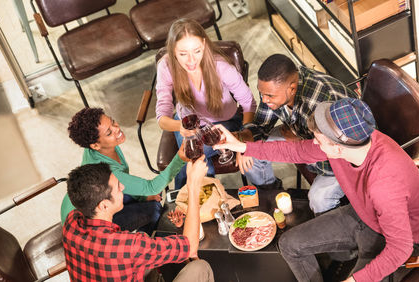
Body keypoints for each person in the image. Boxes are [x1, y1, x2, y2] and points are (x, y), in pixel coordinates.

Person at [214, 98, 419, 281]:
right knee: (288, 244)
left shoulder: (384, 185)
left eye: (319, 140)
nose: (314, 144)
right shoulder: (355, 142)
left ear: (337, 147)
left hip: (404, 240)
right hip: (364, 214)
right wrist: (240, 145)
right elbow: (296, 152)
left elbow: (401, 248)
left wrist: (355, 280)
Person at [236, 53, 359, 213]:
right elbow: (261, 125)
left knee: (318, 199)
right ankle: (274, 195)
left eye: (270, 96)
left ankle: (330, 224)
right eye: (262, 94)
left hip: (340, 157)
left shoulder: (320, 101)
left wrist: (299, 140)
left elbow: (330, 154)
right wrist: (246, 143)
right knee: (252, 156)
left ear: (292, 88)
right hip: (304, 137)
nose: (264, 100)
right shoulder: (274, 89)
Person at [63, 158, 214, 281]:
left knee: (150, 240)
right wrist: (193, 186)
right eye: (118, 187)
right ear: (103, 206)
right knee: (200, 267)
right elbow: (190, 247)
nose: (123, 187)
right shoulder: (130, 246)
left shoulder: (72, 220)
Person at [155, 18, 257, 189]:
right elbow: (162, 117)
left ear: (204, 44)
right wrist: (180, 126)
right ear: (173, 50)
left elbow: (248, 103)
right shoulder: (166, 66)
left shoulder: (221, 67)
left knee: (190, 155)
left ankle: (188, 197)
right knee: (190, 154)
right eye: (182, 53)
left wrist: (246, 140)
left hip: (227, 121)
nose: (191, 60)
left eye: (197, 51)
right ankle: (200, 196)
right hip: (188, 124)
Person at [62, 107, 186, 234]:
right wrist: (181, 158)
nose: (117, 128)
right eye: (109, 133)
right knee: (153, 208)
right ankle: (145, 242)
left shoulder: (100, 147)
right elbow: (151, 187)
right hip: (88, 225)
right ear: (95, 145)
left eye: (113, 122)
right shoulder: (105, 170)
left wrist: (142, 197)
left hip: (98, 196)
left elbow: (138, 186)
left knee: (153, 196)